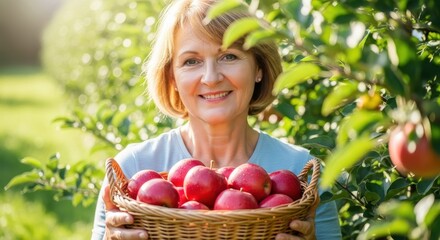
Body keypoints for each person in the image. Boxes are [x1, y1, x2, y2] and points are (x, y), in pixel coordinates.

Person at [92, 0, 342, 239]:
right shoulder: (133, 170)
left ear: (259, 69)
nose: (211, 77)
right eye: (191, 61)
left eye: (229, 56)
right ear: (172, 79)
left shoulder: (302, 175)